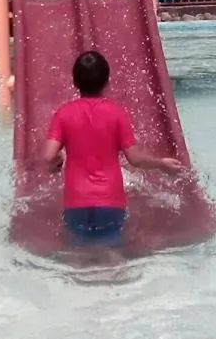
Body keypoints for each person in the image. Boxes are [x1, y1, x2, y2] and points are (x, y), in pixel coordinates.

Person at [40, 50, 184, 248]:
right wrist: (161, 164)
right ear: (107, 81)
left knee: (77, 253)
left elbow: (48, 156)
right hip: (110, 201)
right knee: (111, 252)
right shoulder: (116, 113)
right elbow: (135, 158)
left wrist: (56, 163)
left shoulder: (63, 114)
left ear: (74, 82)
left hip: (76, 201)